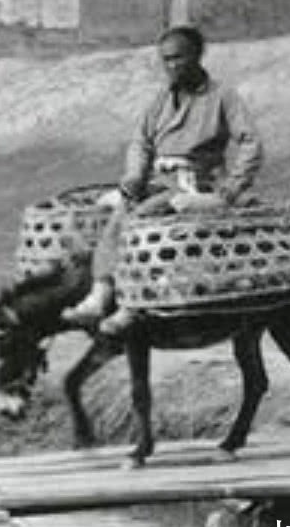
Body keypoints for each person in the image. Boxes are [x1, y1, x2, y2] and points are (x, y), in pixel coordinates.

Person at [62, 25, 264, 335]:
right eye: (166, 60)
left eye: (178, 58)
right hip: (158, 180)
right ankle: (99, 291)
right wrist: (133, 177)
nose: (171, 66)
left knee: (140, 219)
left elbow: (250, 141)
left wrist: (234, 185)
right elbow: (141, 143)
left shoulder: (222, 96)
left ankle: (131, 303)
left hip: (195, 183)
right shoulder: (160, 100)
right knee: (102, 210)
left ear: (197, 56)